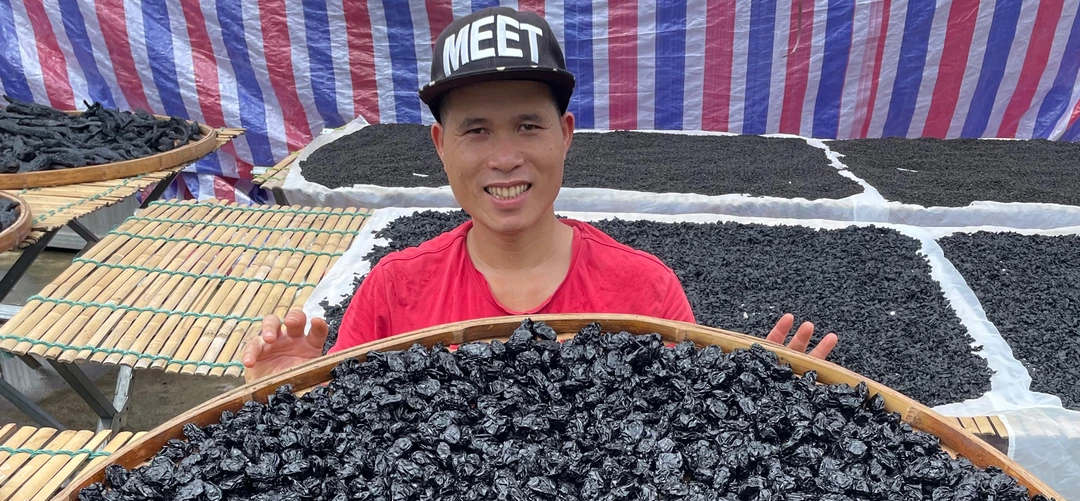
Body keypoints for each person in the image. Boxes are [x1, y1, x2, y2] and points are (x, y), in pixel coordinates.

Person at [242, 8, 837, 379]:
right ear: (440, 145)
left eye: (529, 125)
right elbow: (347, 454)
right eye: (475, 130)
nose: (505, 157)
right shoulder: (395, 293)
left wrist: (764, 399)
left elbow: (683, 453)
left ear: (565, 135)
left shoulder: (643, 292)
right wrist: (294, 392)